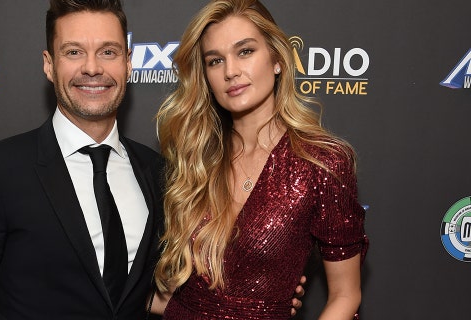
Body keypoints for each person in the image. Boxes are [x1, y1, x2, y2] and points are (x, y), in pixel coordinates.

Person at [0, 0, 164, 319]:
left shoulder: (157, 171)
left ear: (128, 63)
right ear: (49, 64)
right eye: (73, 52)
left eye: (108, 52)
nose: (92, 68)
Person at [152, 0, 368, 319]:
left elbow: (346, 295)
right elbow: (179, 295)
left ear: (277, 59)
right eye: (215, 60)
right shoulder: (196, 156)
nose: (230, 71)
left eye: (245, 51)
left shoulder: (321, 163)